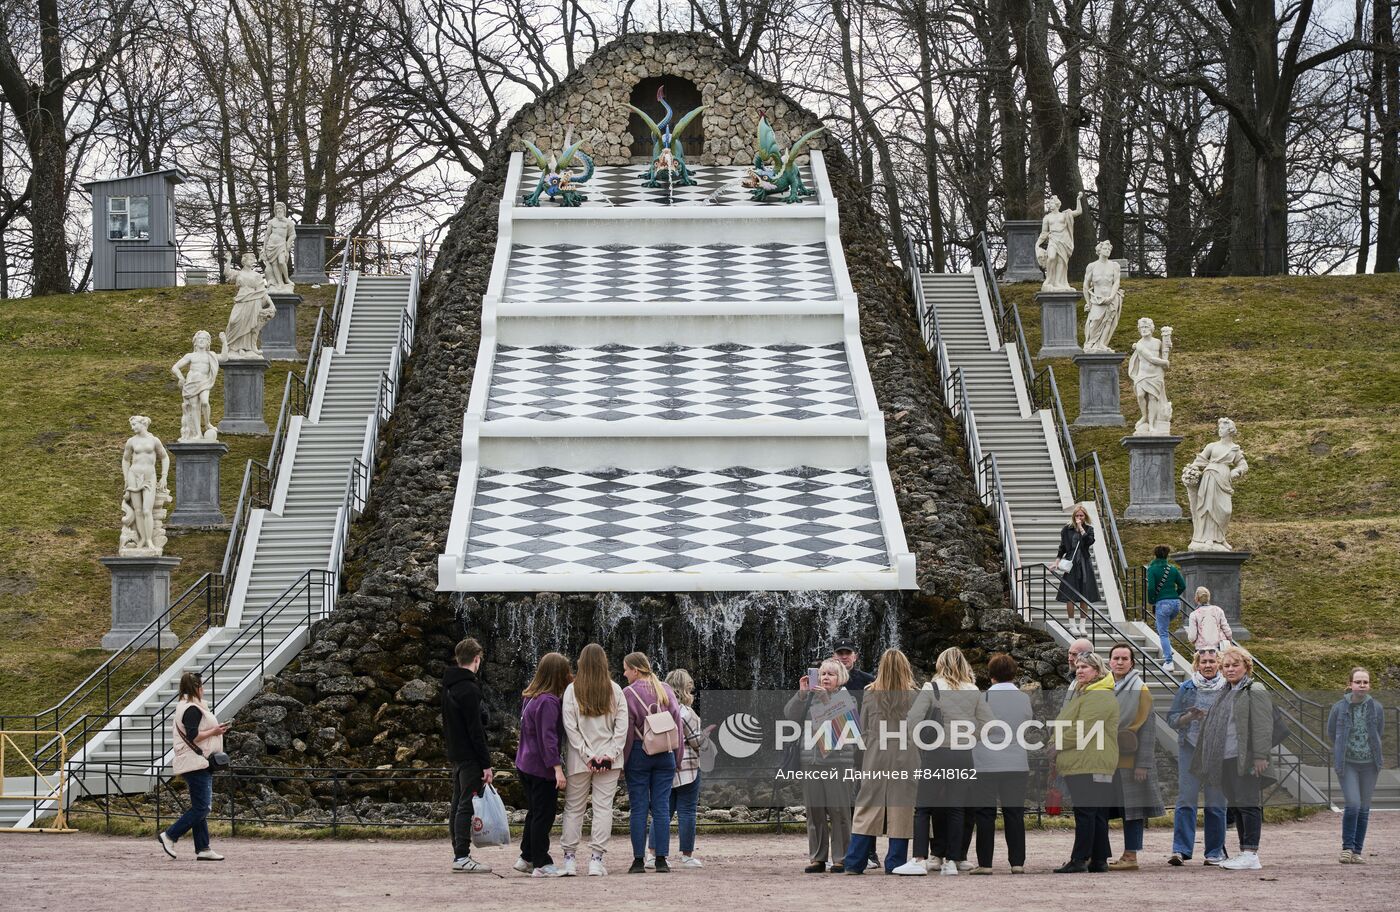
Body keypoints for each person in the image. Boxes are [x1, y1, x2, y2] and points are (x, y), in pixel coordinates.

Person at [901, 647, 990, 876]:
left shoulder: (932, 687)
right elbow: (989, 723)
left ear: (940, 664)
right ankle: (952, 861)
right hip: (963, 754)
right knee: (956, 808)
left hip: (936, 753)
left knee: (923, 808)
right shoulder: (973, 690)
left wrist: (921, 741)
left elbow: (913, 718)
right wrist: (971, 737)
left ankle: (919, 859)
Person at [1190, 644, 1272, 870]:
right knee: (1236, 805)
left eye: (1235, 665)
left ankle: (1251, 853)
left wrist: (1260, 755)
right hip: (1225, 758)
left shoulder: (1254, 689)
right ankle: (1244, 851)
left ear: (1246, 666)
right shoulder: (1225, 692)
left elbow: (1263, 725)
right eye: (1226, 665)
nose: (1230, 669)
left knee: (1248, 803)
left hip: (1245, 758)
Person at [843, 649, 920, 874]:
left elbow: (863, 727)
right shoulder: (914, 695)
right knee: (902, 808)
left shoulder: (870, 693)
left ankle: (855, 862)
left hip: (876, 754)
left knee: (867, 806)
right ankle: (895, 862)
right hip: (905, 754)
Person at [560, 643, 629, 877]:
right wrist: (610, 754)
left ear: (581, 662)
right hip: (609, 761)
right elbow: (622, 728)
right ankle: (596, 861)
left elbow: (570, 727)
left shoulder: (572, 690)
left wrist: (587, 755)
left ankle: (569, 860)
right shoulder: (615, 690)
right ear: (604, 663)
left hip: (579, 760)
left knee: (573, 808)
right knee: (603, 808)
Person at [786, 660, 858, 873]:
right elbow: (790, 715)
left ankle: (841, 858)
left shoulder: (847, 698)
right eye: (823, 673)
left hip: (838, 763)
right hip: (811, 761)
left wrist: (826, 699)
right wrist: (801, 695)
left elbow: (847, 728)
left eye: (831, 674)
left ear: (840, 678)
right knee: (814, 811)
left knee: (839, 811)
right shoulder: (810, 698)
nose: (825, 677)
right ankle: (817, 858)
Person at [1051, 652, 1120, 874]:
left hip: (1089, 761)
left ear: (1097, 671)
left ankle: (1079, 858)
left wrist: (1057, 745)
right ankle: (1099, 859)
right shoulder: (1089, 693)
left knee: (1086, 812)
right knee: (1096, 812)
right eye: (1078, 666)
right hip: (1089, 760)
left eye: (1085, 667)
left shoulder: (1097, 696)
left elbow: (1085, 729)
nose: (1079, 670)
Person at [969, 653, 1033, 875]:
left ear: (991, 675)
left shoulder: (983, 698)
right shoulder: (1024, 699)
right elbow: (1026, 723)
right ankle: (1017, 862)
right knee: (1014, 813)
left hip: (985, 762)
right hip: (1016, 761)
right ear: (1014, 673)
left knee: (985, 814)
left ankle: (985, 863)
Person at [1165, 646, 1229, 866]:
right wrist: (1189, 717)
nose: (1208, 665)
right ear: (1197, 665)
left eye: (1212, 661)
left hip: (1218, 750)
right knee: (1186, 799)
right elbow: (1172, 719)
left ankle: (1214, 852)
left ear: (1219, 663)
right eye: (1204, 662)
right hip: (1190, 749)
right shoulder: (1186, 687)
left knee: (1216, 801)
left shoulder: (1229, 688)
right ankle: (1180, 850)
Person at [157, 672, 230, 861]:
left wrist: (214, 731)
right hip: (196, 762)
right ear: (197, 688)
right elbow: (193, 736)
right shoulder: (191, 709)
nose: (203, 689)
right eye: (201, 686)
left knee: (200, 807)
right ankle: (170, 835)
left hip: (197, 761)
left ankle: (203, 848)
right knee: (202, 808)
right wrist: (214, 731)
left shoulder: (188, 707)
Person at [622, 652, 684, 873]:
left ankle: (638, 861)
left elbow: (627, 733)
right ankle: (661, 860)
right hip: (665, 753)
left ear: (635, 670)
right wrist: (677, 757)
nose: (624, 674)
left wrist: (624, 761)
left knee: (638, 808)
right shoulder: (665, 689)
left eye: (626, 669)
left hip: (639, 753)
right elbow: (678, 725)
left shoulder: (628, 693)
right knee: (662, 808)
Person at [1106, 645, 1164, 871]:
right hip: (1106, 758)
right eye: (1116, 658)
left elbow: (1148, 731)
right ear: (1109, 661)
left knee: (1132, 811)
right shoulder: (1103, 686)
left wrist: (1143, 765)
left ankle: (1131, 855)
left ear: (1132, 663)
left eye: (1124, 658)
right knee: (1102, 809)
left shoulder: (1141, 690)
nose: (1120, 662)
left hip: (1130, 760)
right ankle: (1100, 853)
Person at [515, 652, 571, 876]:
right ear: (558, 674)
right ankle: (541, 862)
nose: (569, 675)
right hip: (541, 768)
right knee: (544, 815)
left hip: (525, 763)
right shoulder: (548, 701)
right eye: (566, 672)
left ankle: (526, 857)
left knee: (534, 812)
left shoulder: (531, 697)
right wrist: (557, 768)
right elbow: (548, 737)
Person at [652, 669, 714, 868]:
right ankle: (687, 856)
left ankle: (653, 855)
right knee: (687, 811)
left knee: (662, 811)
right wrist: (705, 738)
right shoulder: (687, 712)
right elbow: (696, 741)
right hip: (687, 768)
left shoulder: (658, 708)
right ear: (685, 688)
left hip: (663, 766)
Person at [443, 637, 494, 873]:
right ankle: (462, 856)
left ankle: (458, 852)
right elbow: (476, 731)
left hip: (456, 753)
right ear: (476, 659)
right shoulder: (470, 689)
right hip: (471, 755)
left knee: (457, 804)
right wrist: (486, 764)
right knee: (466, 805)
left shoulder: (449, 686)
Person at [1327, 667, 1384, 864]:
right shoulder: (1338, 708)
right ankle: (1347, 848)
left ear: (1369, 685)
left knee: (1364, 809)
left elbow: (1378, 732)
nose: (1362, 685)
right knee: (1353, 805)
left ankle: (1357, 851)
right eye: (1358, 682)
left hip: (1370, 764)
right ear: (1350, 684)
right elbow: (1331, 732)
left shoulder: (1377, 707)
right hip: (1347, 763)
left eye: (1365, 682)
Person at [1054, 504, 1099, 636]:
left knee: (1084, 595)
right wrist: (1057, 560)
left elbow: (1089, 541)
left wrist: (1081, 528)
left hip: (1084, 563)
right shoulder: (1066, 529)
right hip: (1071, 563)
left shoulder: (1089, 529)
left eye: (1081, 515)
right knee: (1070, 594)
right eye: (1077, 515)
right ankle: (1072, 625)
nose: (1079, 517)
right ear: (1073, 516)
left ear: (1085, 516)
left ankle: (1082, 626)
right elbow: (1062, 547)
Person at [1145, 545, 1187, 671]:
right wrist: (1174, 595)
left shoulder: (1152, 569)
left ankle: (1169, 661)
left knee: (1162, 632)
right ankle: (1167, 648)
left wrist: (1152, 600)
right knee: (1161, 626)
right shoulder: (1172, 569)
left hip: (1163, 604)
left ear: (1155, 555)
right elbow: (1182, 585)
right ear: (1167, 555)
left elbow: (1151, 588)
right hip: (1176, 603)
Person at [1184, 587, 1233, 653]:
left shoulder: (1194, 614)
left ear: (1196, 599)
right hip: (1219, 647)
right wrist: (1229, 641)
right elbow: (1227, 630)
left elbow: (1192, 637)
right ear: (1209, 597)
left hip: (1202, 650)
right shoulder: (1218, 610)